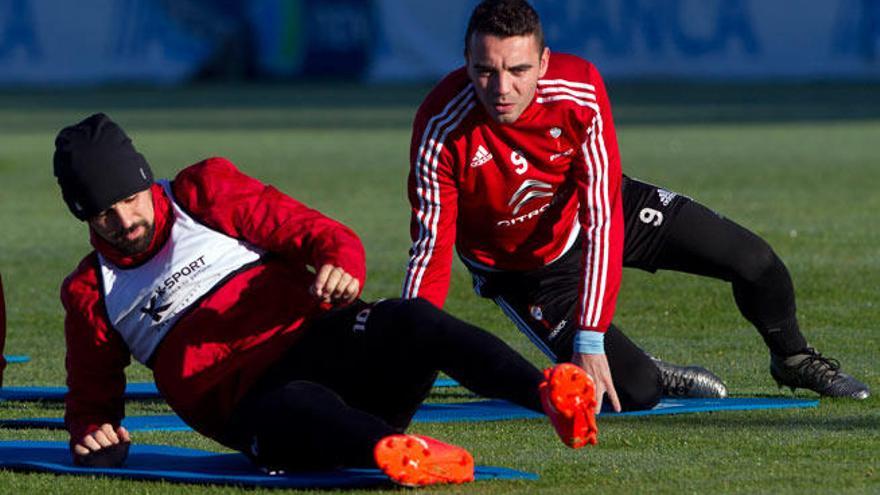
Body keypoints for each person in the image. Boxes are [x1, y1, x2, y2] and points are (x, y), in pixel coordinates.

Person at [54, 113, 598, 488]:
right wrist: (93, 436)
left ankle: (548, 394)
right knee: (296, 399)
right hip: (260, 413)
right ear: (83, 216)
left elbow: (320, 234)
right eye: (104, 213)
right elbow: (91, 401)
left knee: (409, 319)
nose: (125, 221)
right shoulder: (91, 291)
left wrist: (341, 266)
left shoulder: (204, 192)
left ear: (147, 179)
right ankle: (398, 454)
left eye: (130, 198)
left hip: (326, 348)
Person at [402, 0, 869, 414]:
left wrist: (589, 335)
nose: (502, 88)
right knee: (635, 392)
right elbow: (431, 249)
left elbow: (603, 215)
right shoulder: (441, 125)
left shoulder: (579, 88)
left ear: (543, 62)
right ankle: (649, 369)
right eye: (485, 70)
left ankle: (794, 359)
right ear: (465, 63)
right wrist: (410, 348)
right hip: (525, 269)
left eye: (518, 70)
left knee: (756, 263)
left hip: (597, 211)